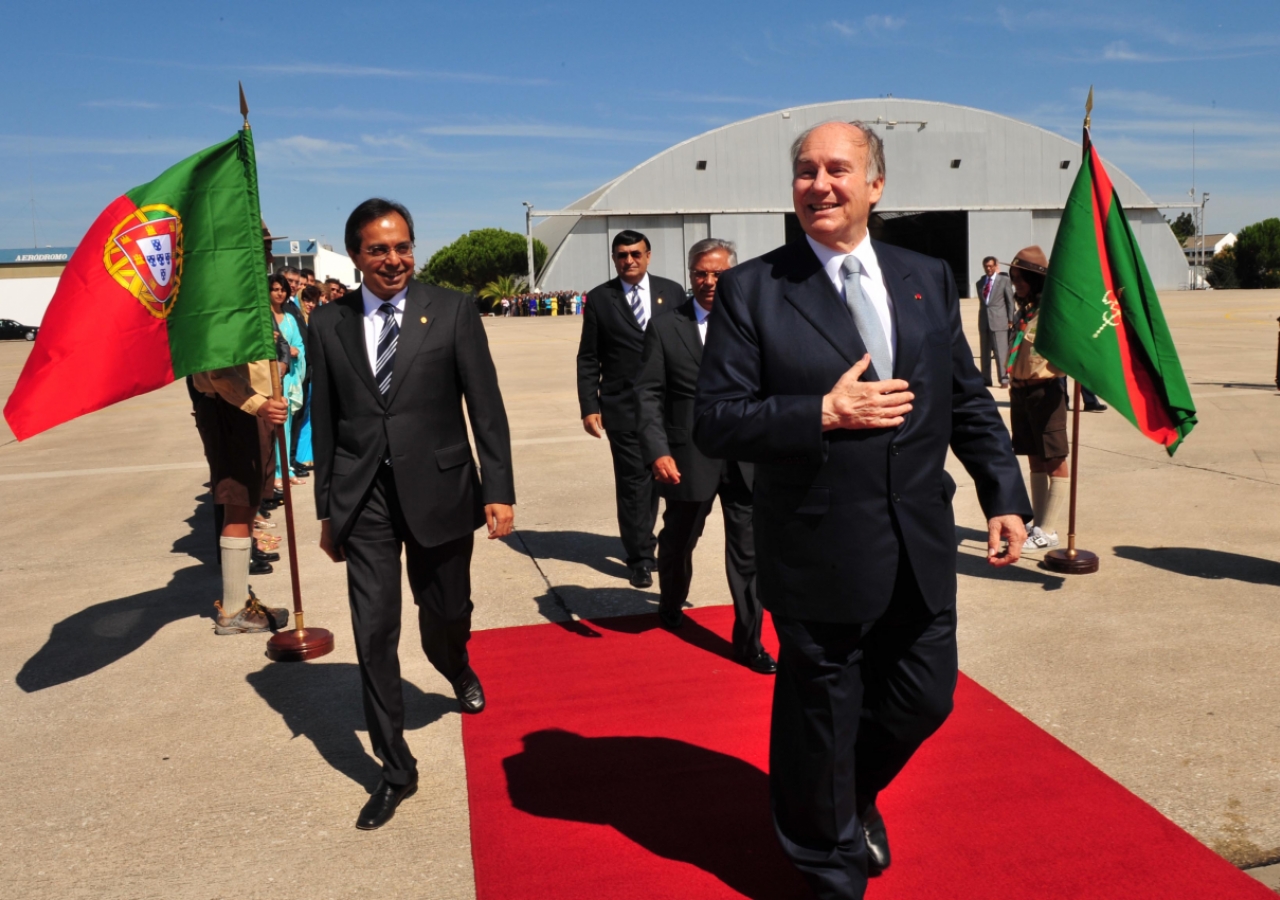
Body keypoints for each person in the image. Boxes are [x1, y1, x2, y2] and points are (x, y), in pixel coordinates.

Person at [693, 121, 1030, 900]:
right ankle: (828, 861)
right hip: (817, 547)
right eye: (805, 171)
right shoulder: (754, 289)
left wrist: (1002, 494)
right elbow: (716, 420)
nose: (820, 184)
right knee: (822, 711)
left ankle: (836, 794)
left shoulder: (924, 276)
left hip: (919, 540)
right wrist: (820, 412)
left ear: (876, 185)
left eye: (838, 169)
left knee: (924, 695)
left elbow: (966, 399)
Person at [309, 198, 516, 831]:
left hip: (443, 490)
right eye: (379, 249)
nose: (394, 260)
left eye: (402, 247)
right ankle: (395, 769)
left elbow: (485, 403)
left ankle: (454, 664)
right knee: (373, 633)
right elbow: (326, 420)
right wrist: (327, 508)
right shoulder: (328, 323)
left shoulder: (451, 309)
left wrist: (499, 486)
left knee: (446, 611)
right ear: (356, 256)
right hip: (363, 496)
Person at [635, 238, 775, 675]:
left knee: (749, 555)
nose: (710, 281)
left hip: (746, 460)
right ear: (689, 274)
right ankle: (671, 601)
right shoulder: (664, 326)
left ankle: (750, 642)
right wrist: (657, 451)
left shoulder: (756, 323)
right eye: (701, 273)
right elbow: (648, 395)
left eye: (719, 273)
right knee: (677, 543)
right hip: (687, 459)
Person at [577, 230, 683, 587]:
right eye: (622, 255)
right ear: (614, 259)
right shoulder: (600, 299)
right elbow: (589, 357)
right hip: (622, 407)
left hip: (670, 406)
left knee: (662, 479)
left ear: (648, 256)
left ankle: (656, 541)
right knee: (634, 482)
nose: (629, 260)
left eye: (636, 253)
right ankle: (639, 556)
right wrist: (589, 404)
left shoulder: (672, 292)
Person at [1006, 246, 1071, 551]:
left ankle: (1049, 529)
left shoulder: (1051, 311)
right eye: (1013, 277)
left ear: (1035, 278)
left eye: (1020, 278)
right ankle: (1039, 522)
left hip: (1046, 391)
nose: (1015, 283)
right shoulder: (1027, 310)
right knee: (1034, 457)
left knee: (1054, 458)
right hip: (1021, 392)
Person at [975, 255, 1017, 387]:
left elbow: (1010, 301)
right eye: (986, 266)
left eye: (990, 266)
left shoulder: (1003, 281)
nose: (988, 268)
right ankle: (986, 378)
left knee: (1001, 352)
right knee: (984, 353)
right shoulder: (980, 283)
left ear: (995, 266)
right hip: (984, 321)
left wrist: (1010, 319)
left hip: (999, 321)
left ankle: (1004, 379)